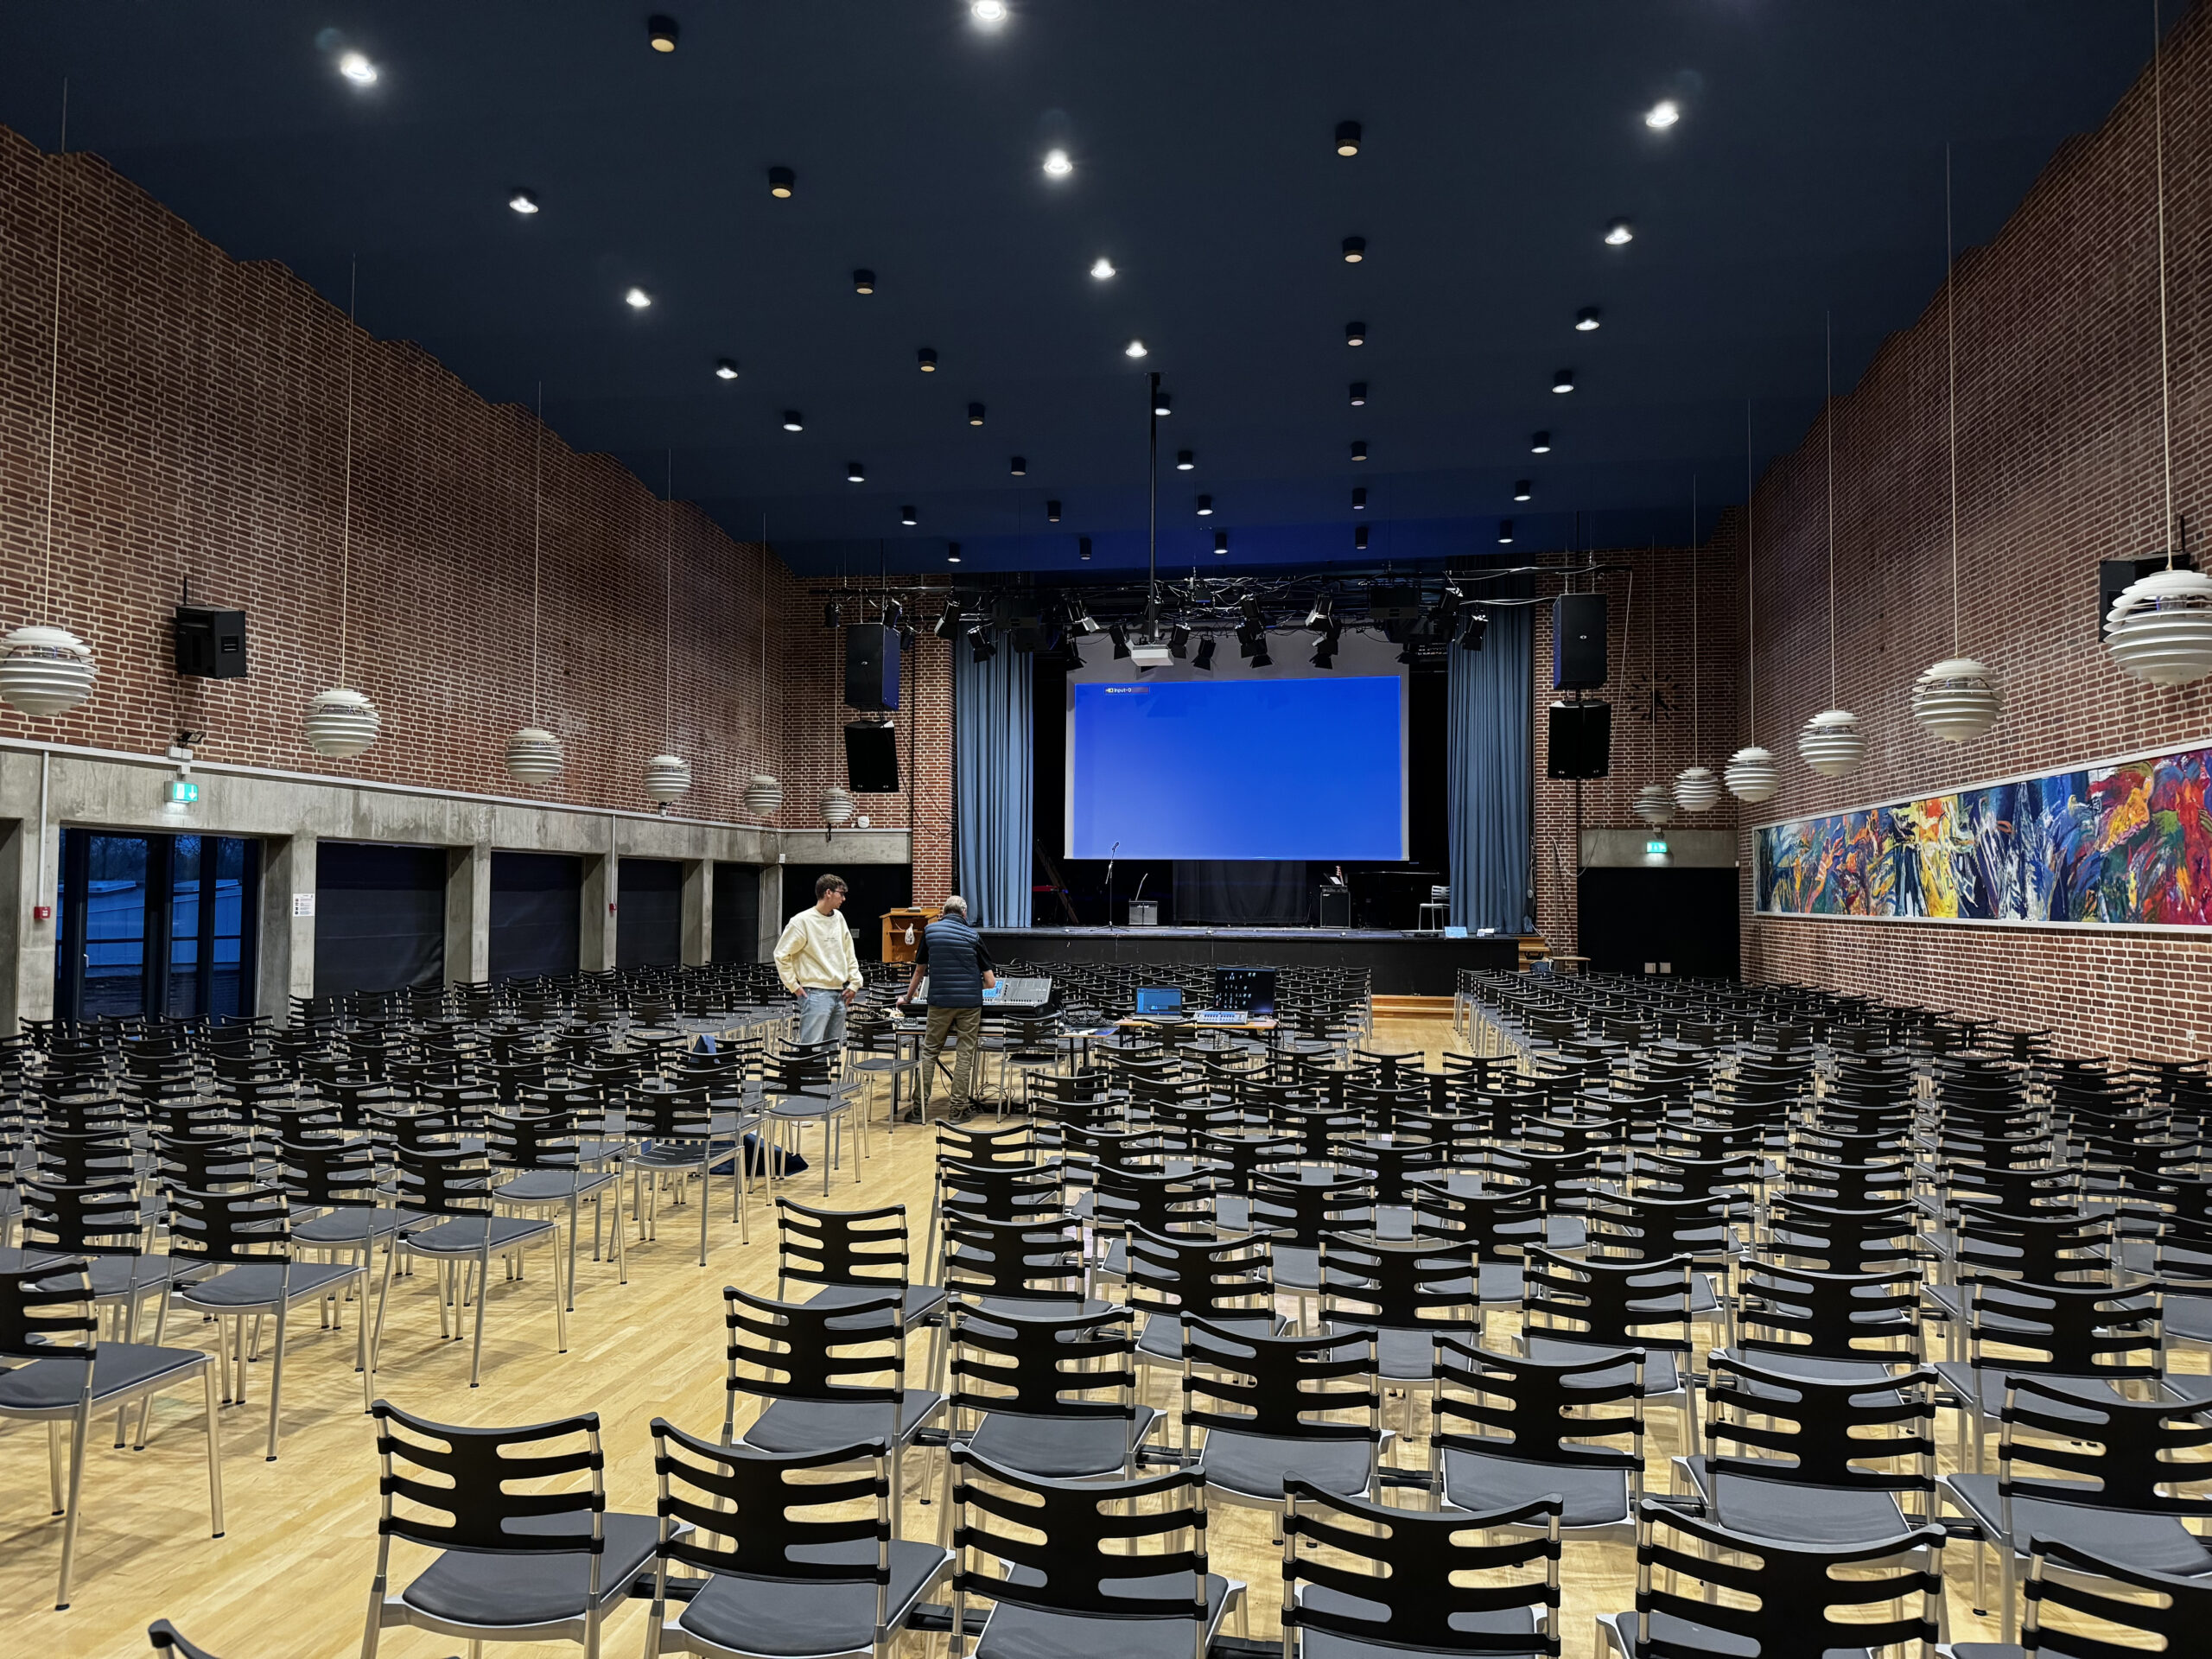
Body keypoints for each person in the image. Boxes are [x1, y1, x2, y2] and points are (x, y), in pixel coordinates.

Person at [898, 894, 995, 1122]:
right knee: (964, 1054)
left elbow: (919, 971)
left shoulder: (930, 932)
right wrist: (972, 985)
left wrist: (908, 998)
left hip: (939, 1002)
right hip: (969, 1005)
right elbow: (991, 982)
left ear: (943, 912)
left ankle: (919, 1110)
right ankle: (957, 1110)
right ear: (964, 913)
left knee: (930, 1052)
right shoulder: (973, 936)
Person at [774, 873, 863, 1048]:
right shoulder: (801, 921)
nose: (844, 899)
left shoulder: (839, 918)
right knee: (812, 1049)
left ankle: (830, 1069)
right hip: (815, 993)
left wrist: (855, 982)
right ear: (828, 892)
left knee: (833, 1049)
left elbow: (849, 953)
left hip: (840, 992)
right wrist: (793, 985)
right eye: (841, 894)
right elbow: (781, 954)